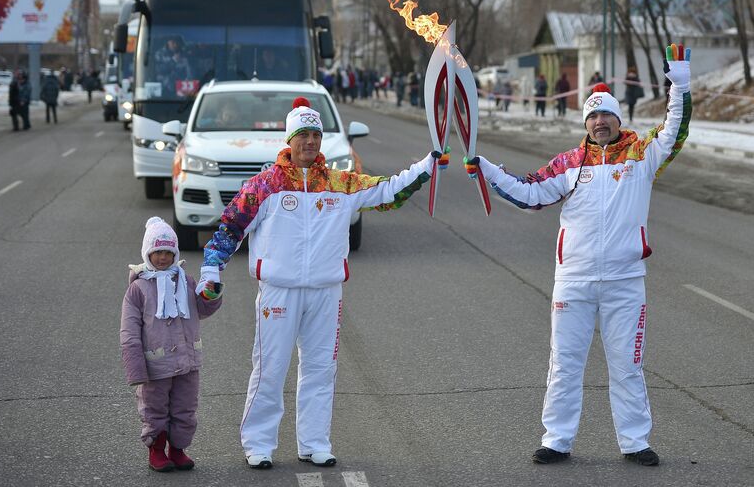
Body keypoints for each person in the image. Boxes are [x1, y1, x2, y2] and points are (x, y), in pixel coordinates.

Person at [464, 44, 692, 467]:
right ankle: (557, 440)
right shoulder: (569, 164)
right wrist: (488, 168)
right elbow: (530, 194)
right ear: (585, 122)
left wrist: (679, 84)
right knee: (565, 363)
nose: (599, 122)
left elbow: (675, 129)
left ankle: (635, 442)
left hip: (625, 281)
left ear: (617, 119)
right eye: (592, 116)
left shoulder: (641, 155)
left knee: (627, 365)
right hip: (574, 280)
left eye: (605, 114)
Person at [197, 97, 446, 470]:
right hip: (279, 290)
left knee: (320, 368)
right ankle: (259, 444)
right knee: (270, 366)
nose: (310, 142)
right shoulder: (266, 185)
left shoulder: (340, 185)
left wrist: (427, 166)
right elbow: (231, 227)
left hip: (326, 290)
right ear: (290, 139)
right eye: (303, 135)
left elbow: (389, 191)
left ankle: (314, 442)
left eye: (316, 134)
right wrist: (211, 269)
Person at [120, 217, 223, 472]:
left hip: (187, 362)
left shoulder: (185, 281)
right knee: (154, 409)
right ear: (148, 253)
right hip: (155, 366)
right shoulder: (138, 289)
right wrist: (136, 369)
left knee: (185, 409)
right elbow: (129, 333)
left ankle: (178, 450)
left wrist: (212, 294)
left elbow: (201, 309)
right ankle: (156, 450)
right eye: (157, 252)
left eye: (168, 252)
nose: (163, 258)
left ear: (175, 253)